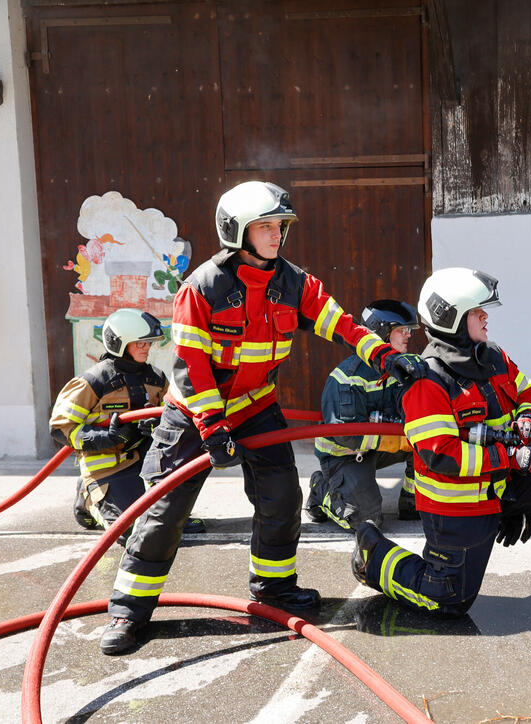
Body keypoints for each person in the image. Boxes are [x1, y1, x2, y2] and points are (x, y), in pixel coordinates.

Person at [99, 181, 426, 655]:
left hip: (256, 407)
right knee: (165, 514)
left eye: (280, 226)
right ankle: (128, 611)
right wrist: (212, 427)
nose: (277, 236)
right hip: (194, 414)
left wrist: (382, 356)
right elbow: (192, 365)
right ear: (237, 230)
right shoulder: (202, 289)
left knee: (282, 497)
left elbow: (342, 323)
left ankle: (272, 587)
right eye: (266, 226)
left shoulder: (295, 282)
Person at [350, 267, 531, 617]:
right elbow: (441, 455)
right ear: (451, 318)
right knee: (447, 599)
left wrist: (529, 418)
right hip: (460, 506)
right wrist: (509, 457)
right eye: (477, 311)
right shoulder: (426, 381)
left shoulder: (492, 356)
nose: (485, 317)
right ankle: (374, 556)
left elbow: (527, 391)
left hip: (506, 482)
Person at [49, 309, 205, 540]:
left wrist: (156, 425)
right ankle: (88, 495)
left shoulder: (156, 378)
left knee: (165, 527)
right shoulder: (93, 382)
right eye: (139, 343)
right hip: (107, 467)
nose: (146, 348)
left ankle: (165, 506)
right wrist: (109, 438)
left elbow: (174, 416)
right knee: (132, 533)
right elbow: (60, 428)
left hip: (145, 466)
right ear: (118, 343)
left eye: (148, 343)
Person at [306, 299, 420, 530]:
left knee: (428, 444)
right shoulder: (348, 378)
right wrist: (396, 439)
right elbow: (346, 435)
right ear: (382, 334)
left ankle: (412, 500)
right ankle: (321, 489)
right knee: (365, 521)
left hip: (380, 448)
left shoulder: (406, 369)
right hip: (345, 454)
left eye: (408, 330)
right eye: (401, 330)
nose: (408, 335)